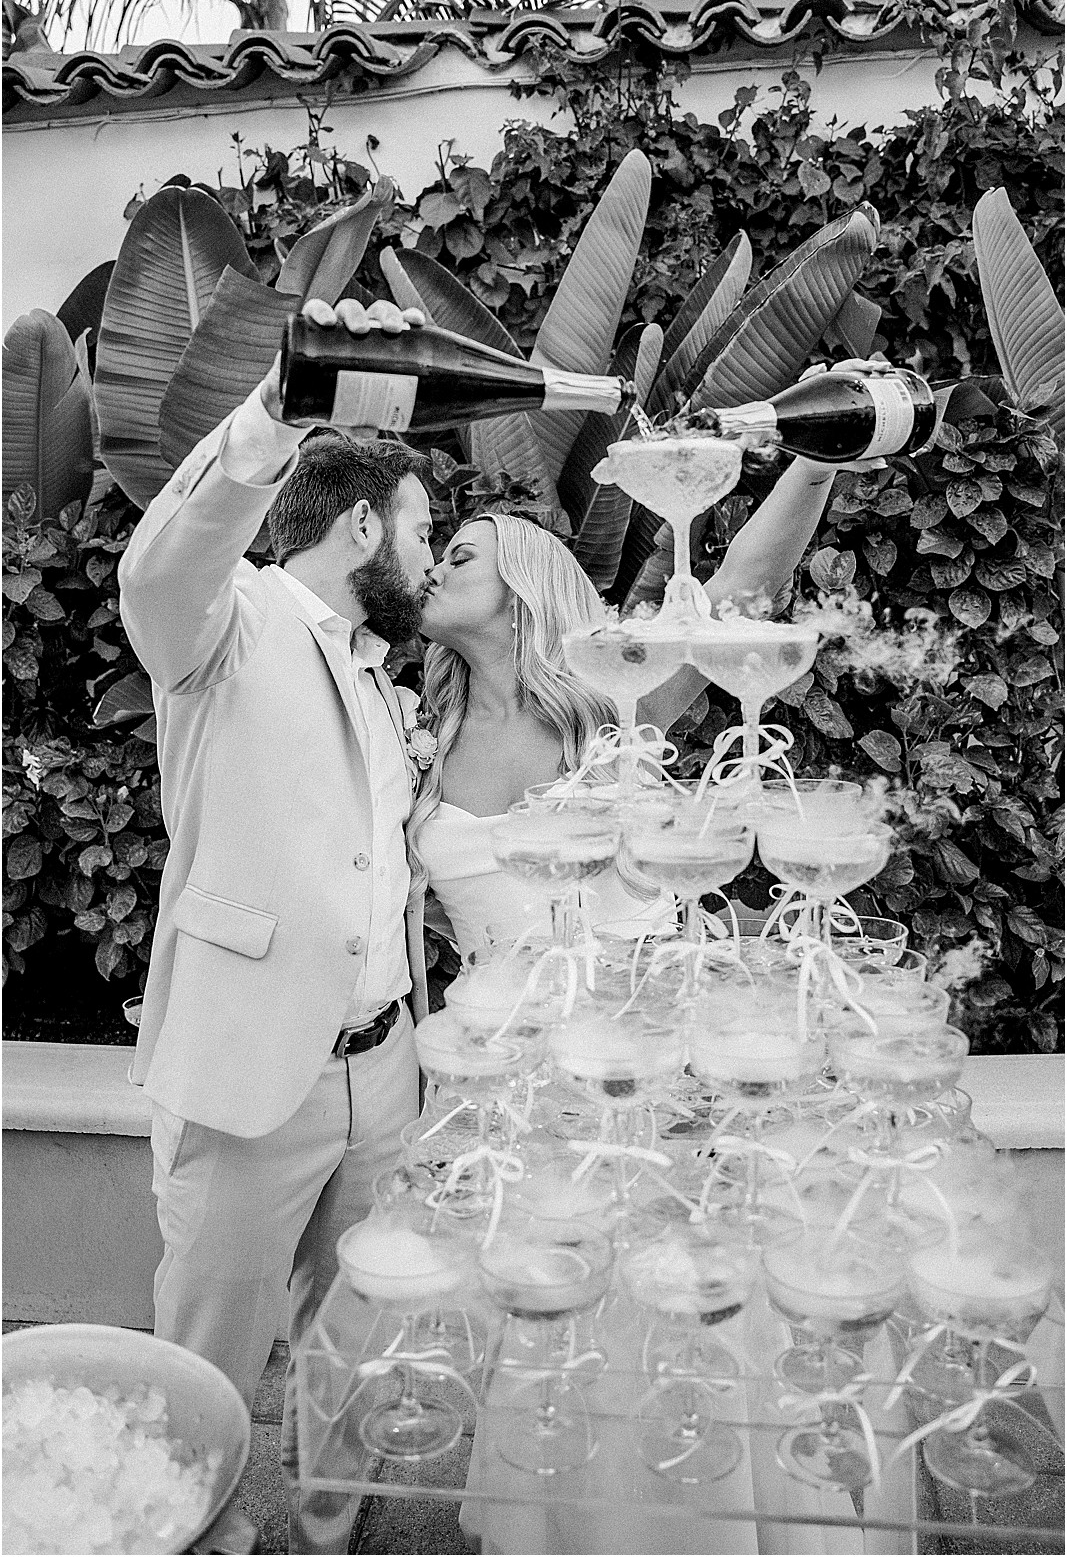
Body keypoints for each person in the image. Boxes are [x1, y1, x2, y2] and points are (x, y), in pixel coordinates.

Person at [117, 296, 433, 1556]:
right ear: (359, 523)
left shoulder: (373, 665)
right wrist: (281, 409)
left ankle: (322, 1538)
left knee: (352, 1350)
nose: (429, 556)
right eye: (424, 532)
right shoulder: (225, 625)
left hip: (382, 1067)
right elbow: (161, 567)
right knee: (205, 1362)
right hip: (255, 1075)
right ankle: (166, 1533)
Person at [407, 438, 844, 959]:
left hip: (638, 1014)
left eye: (461, 558)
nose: (433, 572)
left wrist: (821, 455)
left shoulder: (615, 704)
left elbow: (746, 585)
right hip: (498, 1023)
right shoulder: (416, 737)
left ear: (526, 585)